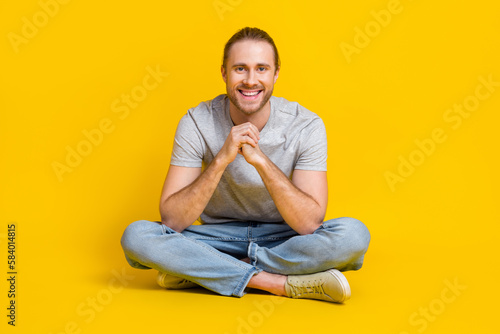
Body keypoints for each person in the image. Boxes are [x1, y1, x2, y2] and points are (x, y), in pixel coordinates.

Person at [121, 27, 370, 303]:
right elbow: (172, 220)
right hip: (216, 238)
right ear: (224, 73)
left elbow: (309, 224)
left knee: (353, 236)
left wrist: (261, 161)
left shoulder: (307, 125)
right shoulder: (196, 122)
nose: (251, 80)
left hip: (283, 239)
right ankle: (273, 283)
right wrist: (222, 159)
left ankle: (204, 270)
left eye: (261, 69)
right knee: (136, 237)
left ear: (275, 74)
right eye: (240, 69)